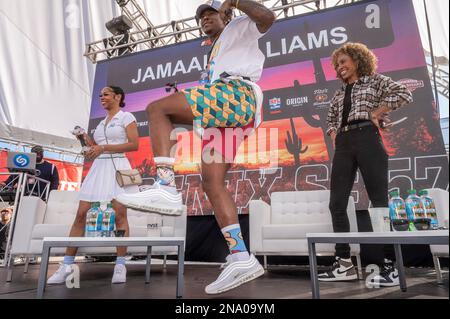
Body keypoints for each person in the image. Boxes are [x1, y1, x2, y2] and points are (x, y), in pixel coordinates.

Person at [116, 0, 275, 294]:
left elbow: (268, 17)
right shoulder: (213, 54)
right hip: (226, 113)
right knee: (212, 183)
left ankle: (165, 185)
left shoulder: (240, 27)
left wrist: (236, 2)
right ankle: (241, 255)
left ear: (225, 15)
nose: (204, 19)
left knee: (157, 109)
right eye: (201, 17)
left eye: (210, 13)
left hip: (236, 94)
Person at [318, 43, 413, 287]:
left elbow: (403, 93)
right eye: (337, 64)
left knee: (379, 202)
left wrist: (378, 112)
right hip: (344, 143)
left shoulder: (375, 80)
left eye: (344, 62)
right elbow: (330, 118)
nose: (340, 68)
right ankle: (344, 263)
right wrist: (334, 134)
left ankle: (389, 266)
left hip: (368, 137)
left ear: (358, 60)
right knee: (336, 203)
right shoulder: (339, 93)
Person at [47, 86, 139, 285]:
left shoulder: (126, 117)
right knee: (81, 213)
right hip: (99, 169)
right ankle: (66, 265)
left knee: (120, 215)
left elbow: (134, 145)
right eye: (100, 95)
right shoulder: (100, 123)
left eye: (105, 94)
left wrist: (103, 147)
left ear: (117, 96)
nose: (102, 97)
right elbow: (92, 148)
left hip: (118, 166)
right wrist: (83, 139)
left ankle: (120, 264)